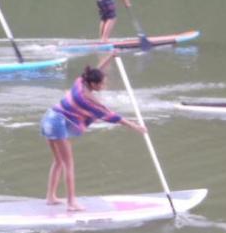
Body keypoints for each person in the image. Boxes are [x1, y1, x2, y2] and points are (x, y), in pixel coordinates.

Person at [40, 54, 147, 212]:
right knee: (68, 164)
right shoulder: (85, 99)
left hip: (49, 117)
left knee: (58, 161)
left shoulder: (81, 81)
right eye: (102, 84)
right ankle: (71, 203)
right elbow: (112, 116)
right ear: (93, 84)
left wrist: (110, 56)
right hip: (57, 123)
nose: (104, 86)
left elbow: (97, 71)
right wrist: (135, 127)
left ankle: (51, 197)